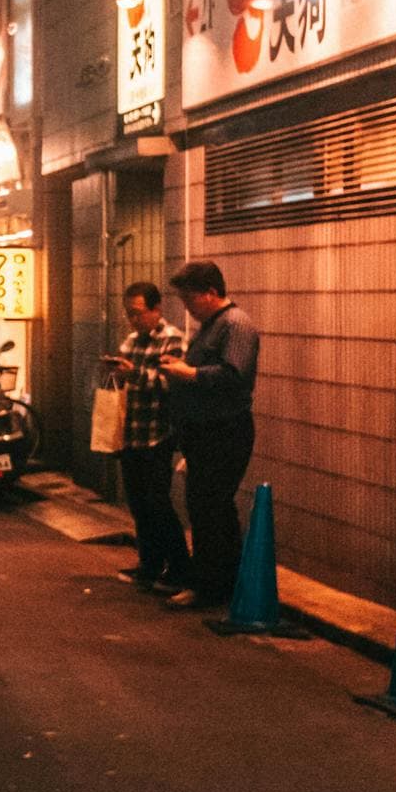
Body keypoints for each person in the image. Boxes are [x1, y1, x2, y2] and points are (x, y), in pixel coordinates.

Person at [159, 261, 261, 609]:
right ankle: (211, 584)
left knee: (213, 508)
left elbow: (233, 375)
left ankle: (216, 588)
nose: (187, 307)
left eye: (190, 300)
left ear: (211, 293)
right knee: (204, 508)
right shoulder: (211, 326)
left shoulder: (236, 325)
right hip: (205, 431)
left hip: (225, 430)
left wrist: (187, 373)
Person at [104, 281, 189, 593]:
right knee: (138, 503)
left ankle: (179, 567)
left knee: (158, 502)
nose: (133, 321)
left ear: (156, 309)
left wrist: (134, 374)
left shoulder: (172, 339)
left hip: (158, 434)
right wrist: (115, 371)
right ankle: (150, 564)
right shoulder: (130, 341)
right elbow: (126, 381)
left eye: (138, 314)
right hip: (131, 434)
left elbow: (171, 383)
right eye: (129, 314)